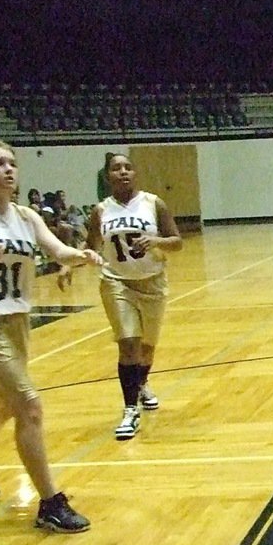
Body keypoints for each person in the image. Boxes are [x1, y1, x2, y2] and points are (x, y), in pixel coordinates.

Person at [0, 139, 103, 532]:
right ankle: (49, 503)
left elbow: (57, 251)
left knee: (0, 406)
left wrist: (81, 255)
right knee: (28, 406)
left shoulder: (26, 217)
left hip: (17, 324)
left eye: (12, 163)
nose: (9, 170)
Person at [85, 153, 183, 440]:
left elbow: (176, 242)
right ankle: (130, 410)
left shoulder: (154, 204)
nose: (123, 172)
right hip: (117, 282)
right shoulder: (100, 211)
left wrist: (155, 241)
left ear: (135, 173)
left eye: (128, 167)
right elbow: (90, 245)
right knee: (128, 345)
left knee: (146, 349)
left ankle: (141, 383)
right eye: (117, 168)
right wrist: (69, 265)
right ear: (108, 176)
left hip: (152, 282)